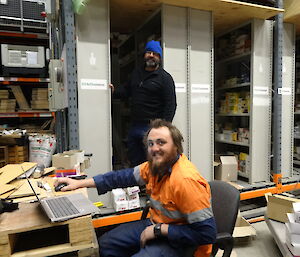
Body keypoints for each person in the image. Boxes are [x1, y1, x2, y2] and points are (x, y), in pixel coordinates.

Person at [55, 119, 216, 257]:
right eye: (151, 144)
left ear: (176, 147)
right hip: (157, 224)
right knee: (105, 244)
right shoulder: (154, 167)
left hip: (182, 242)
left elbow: (206, 235)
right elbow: (120, 177)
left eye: (161, 142)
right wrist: (79, 183)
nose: (154, 148)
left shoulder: (185, 180)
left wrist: (160, 230)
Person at [110, 40, 177, 167]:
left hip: (152, 127)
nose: (151, 55)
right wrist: (114, 92)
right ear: (144, 55)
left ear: (159, 58)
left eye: (155, 54)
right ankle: (139, 186)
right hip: (135, 126)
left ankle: (153, 186)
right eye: (148, 52)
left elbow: (171, 105)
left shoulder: (165, 78)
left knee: (153, 162)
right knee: (135, 161)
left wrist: (163, 128)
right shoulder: (136, 73)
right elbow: (126, 90)